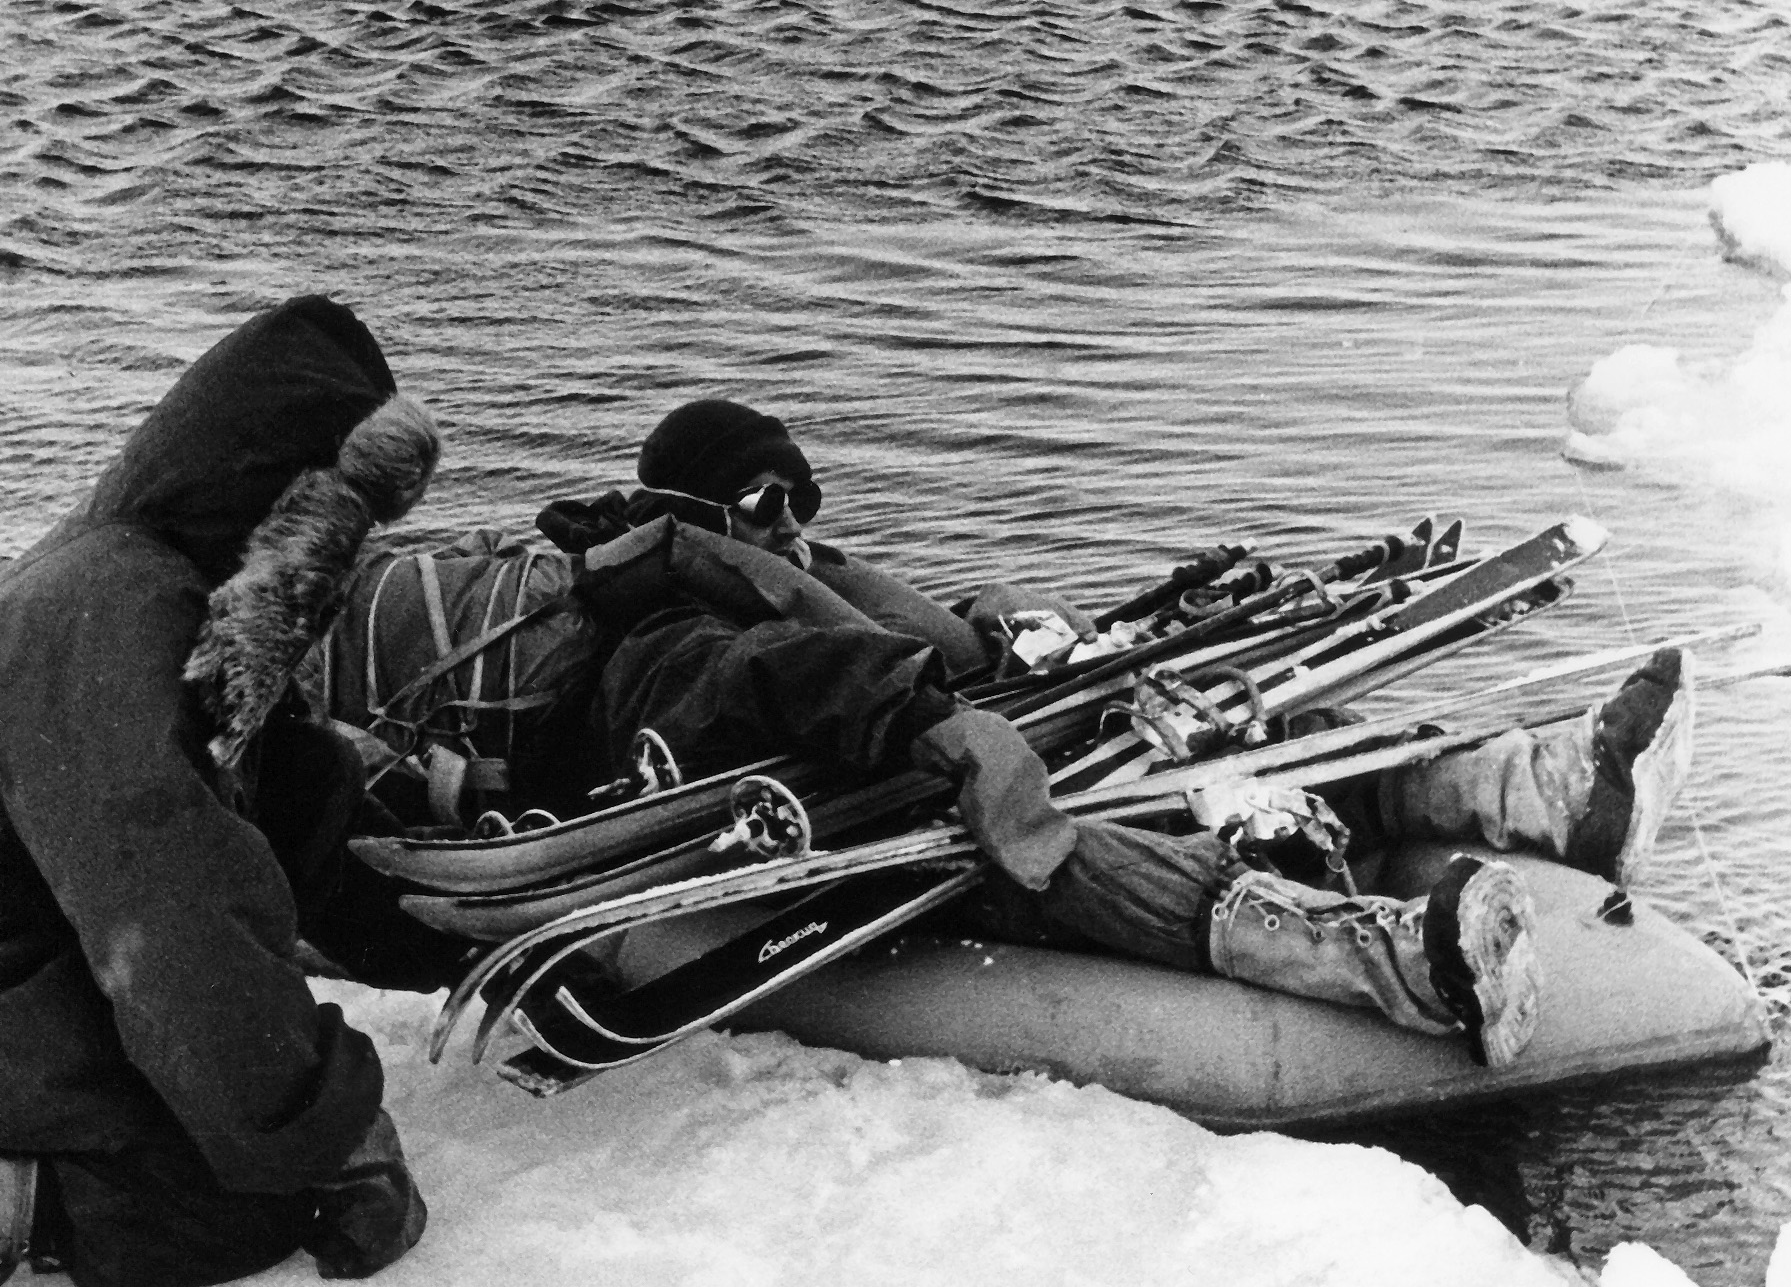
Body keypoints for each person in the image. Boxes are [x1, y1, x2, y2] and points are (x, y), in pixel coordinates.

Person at [335, 397, 1694, 1075]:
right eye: (765, 508)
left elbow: (857, 627)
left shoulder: (749, 579)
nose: (794, 531)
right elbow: (786, 673)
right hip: (856, 826)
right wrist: (948, 728)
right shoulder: (663, 644)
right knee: (1035, 847)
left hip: (901, 748)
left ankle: (1531, 789)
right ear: (703, 521)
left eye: (801, 501)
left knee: (1208, 711)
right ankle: (1385, 961)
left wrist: (996, 647)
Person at [0, 296, 441, 1287]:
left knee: (310, 772)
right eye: (341, 512)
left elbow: (279, 817)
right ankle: (25, 1191)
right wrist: (326, 1132)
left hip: (36, 954)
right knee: (228, 1202)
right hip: (18, 990)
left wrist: (439, 929)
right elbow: (168, 910)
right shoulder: (111, 607)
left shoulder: (154, 588)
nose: (344, 549)